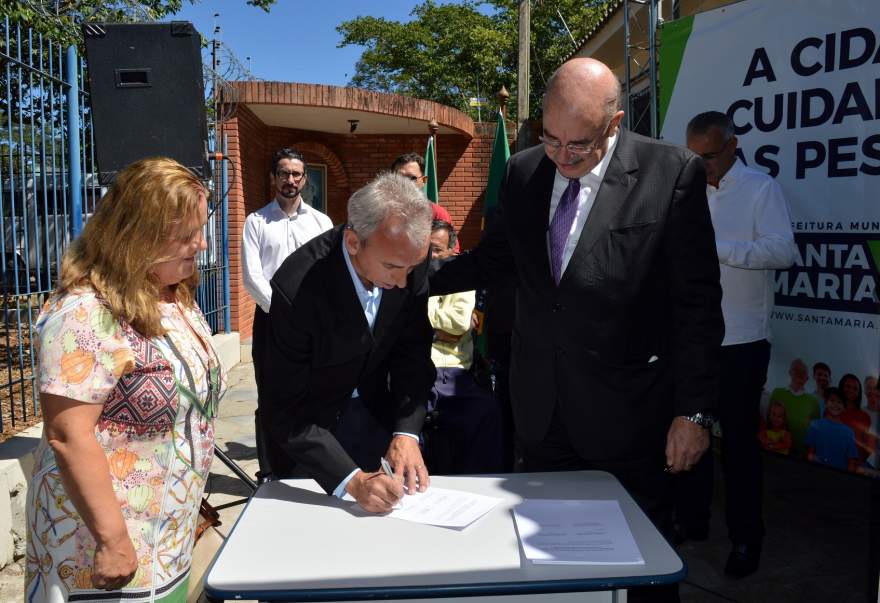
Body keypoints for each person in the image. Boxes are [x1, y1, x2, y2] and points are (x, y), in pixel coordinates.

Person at [430, 58, 723, 603]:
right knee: (551, 571)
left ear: (613, 124)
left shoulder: (671, 173)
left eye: (578, 145)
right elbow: (496, 260)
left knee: (639, 570)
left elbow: (697, 306)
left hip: (630, 417)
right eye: (551, 139)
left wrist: (695, 411)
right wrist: (409, 276)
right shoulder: (522, 173)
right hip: (542, 412)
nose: (562, 157)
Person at [25, 157, 226, 602]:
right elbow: (67, 434)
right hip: (100, 543)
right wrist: (112, 540)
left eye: (200, 229)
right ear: (138, 235)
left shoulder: (176, 297)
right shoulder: (84, 312)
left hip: (167, 534)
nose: (202, 244)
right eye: (186, 235)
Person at [260, 171, 435, 513]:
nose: (403, 282)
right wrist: (352, 481)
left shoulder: (408, 256)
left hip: (375, 416)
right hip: (310, 437)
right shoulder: (296, 290)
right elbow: (283, 408)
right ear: (354, 242)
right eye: (393, 268)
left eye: (411, 268)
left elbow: (413, 353)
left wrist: (406, 433)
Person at [678, 110, 797, 577]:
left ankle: (747, 538)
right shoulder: (686, 189)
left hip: (741, 341)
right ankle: (693, 520)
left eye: (707, 156)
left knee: (741, 448)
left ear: (732, 145)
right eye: (693, 157)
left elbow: (784, 251)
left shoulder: (761, 189)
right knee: (689, 429)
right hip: (691, 338)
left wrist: (719, 247)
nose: (700, 165)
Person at [242, 147, 333, 479]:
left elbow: (331, 272)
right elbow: (253, 276)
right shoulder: (256, 221)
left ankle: (310, 464)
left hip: (314, 322)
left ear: (305, 179)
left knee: (312, 391)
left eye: (296, 174)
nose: (290, 180)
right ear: (273, 178)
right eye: (283, 174)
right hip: (271, 320)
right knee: (270, 394)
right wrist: (284, 313)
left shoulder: (322, 221)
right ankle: (270, 471)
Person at [425, 220, 504, 474]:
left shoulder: (462, 277)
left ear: (452, 253)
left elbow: (458, 325)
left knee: (486, 414)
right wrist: (437, 329)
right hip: (420, 367)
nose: (431, 257)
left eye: (437, 250)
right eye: (426, 249)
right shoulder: (412, 275)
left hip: (456, 370)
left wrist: (420, 324)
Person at [391, 153, 459, 253]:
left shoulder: (437, 213)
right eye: (399, 177)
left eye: (412, 178)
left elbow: (451, 253)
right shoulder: (379, 211)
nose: (404, 182)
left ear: (423, 180)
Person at [769, 359, 820, 457]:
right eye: (796, 370)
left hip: (802, 453)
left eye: (803, 372)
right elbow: (769, 419)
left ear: (807, 378)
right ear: (790, 372)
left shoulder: (813, 401)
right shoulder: (777, 393)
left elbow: (815, 430)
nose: (799, 374)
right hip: (776, 450)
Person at [806, 387, 859, 472]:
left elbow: (851, 462)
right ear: (825, 403)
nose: (835, 405)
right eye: (832, 401)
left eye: (839, 402)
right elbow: (810, 454)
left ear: (844, 407)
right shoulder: (815, 425)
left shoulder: (849, 432)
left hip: (840, 480)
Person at [838, 373, 871, 463]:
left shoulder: (865, 417)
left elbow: (868, 446)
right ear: (841, 387)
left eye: (855, 389)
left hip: (854, 467)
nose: (851, 390)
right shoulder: (831, 411)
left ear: (858, 393)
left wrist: (859, 462)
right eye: (848, 386)